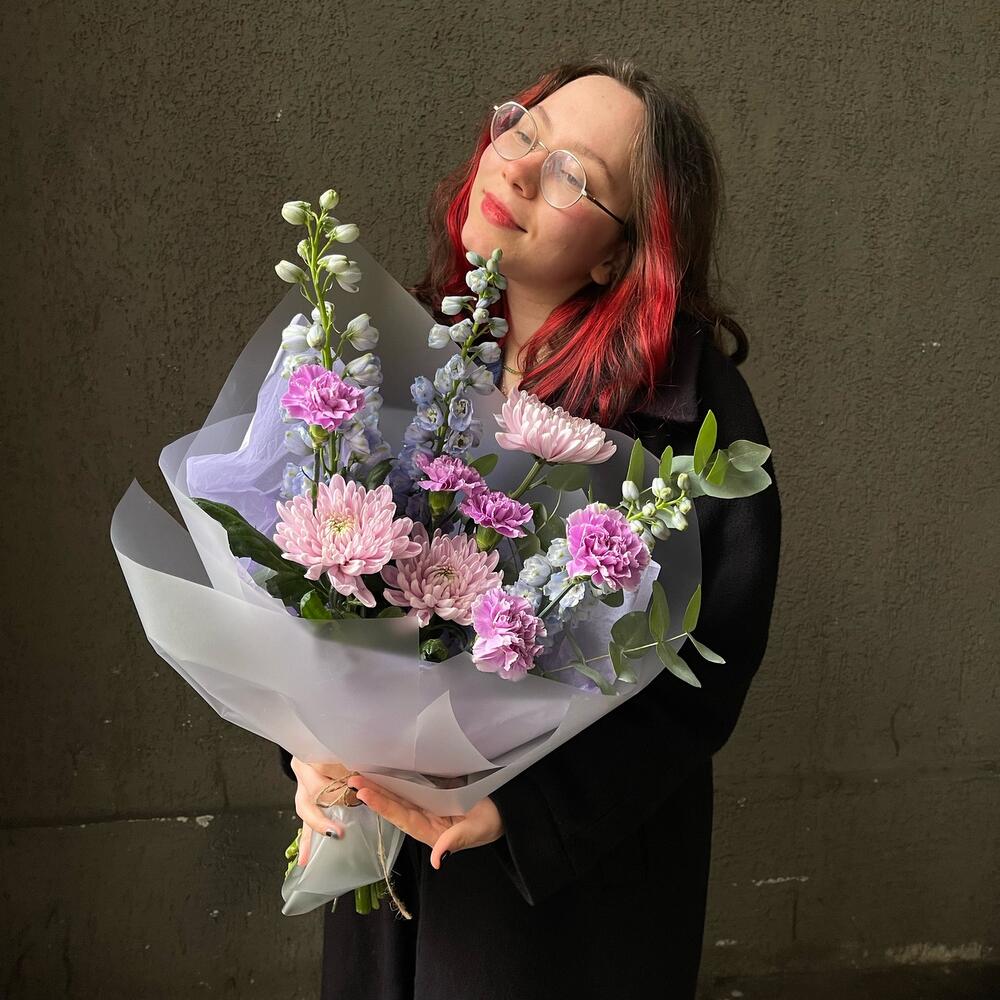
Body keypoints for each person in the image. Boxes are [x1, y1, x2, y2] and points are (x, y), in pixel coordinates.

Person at [281, 56, 782, 999]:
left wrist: (529, 809)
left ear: (619, 255)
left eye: (571, 175)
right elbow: (315, 591)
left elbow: (707, 675)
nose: (515, 168)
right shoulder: (409, 354)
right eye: (524, 130)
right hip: (386, 849)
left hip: (563, 900)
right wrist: (309, 751)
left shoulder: (683, 421)